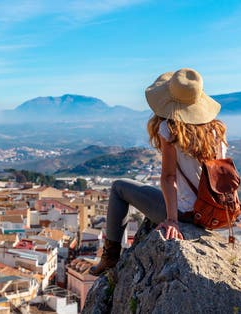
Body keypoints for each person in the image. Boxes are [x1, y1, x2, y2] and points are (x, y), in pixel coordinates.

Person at [89, 68, 228, 276]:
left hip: (186, 214)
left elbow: (169, 177)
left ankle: (110, 258)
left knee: (119, 187)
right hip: (210, 213)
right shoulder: (217, 130)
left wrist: (172, 219)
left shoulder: (169, 130)